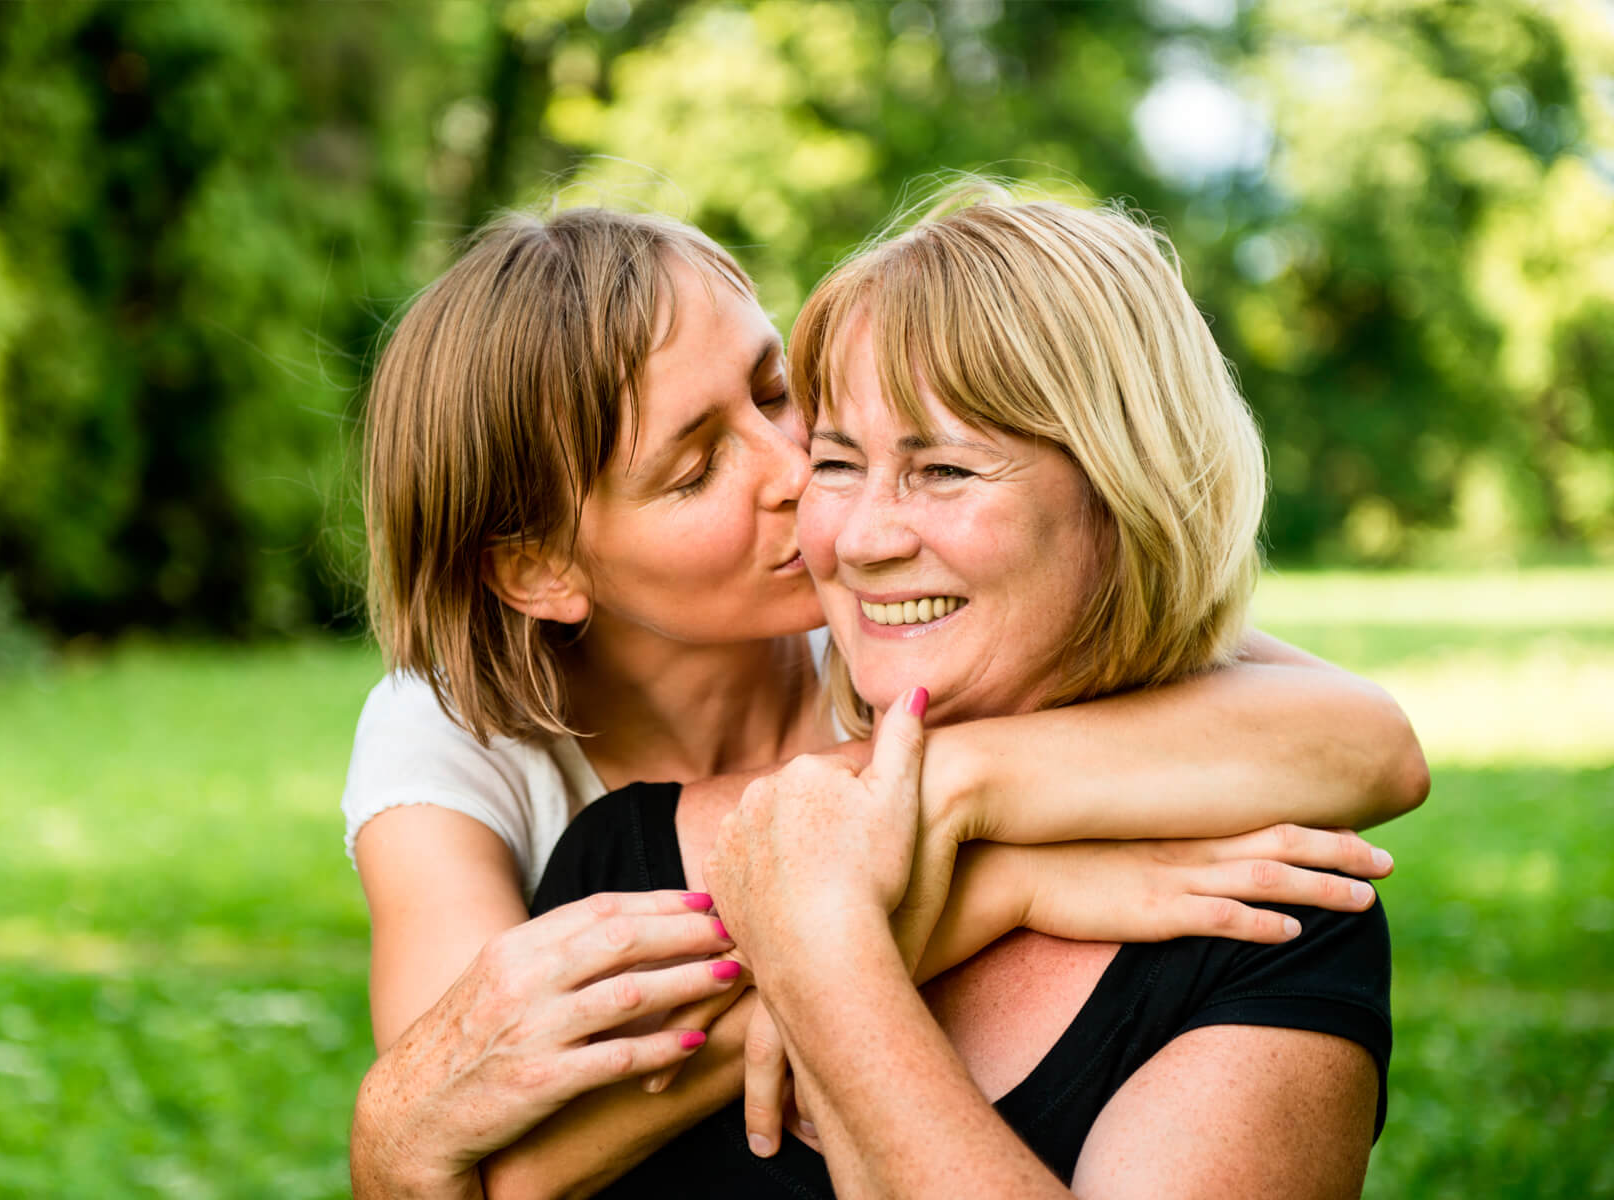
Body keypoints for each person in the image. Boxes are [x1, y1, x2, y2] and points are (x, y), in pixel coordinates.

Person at [346, 205, 1427, 1199]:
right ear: (537, 568)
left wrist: (943, 790)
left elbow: (1367, 739)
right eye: (694, 469)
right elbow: (472, 1135)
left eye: (777, 394)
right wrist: (990, 890)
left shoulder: (889, 619)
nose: (798, 472)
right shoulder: (455, 743)